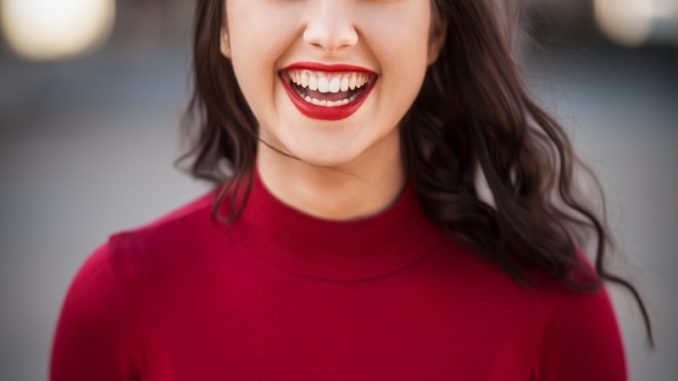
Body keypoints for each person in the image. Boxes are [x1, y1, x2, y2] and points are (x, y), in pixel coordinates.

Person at [49, 0, 653, 380]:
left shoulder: (556, 309)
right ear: (224, 26)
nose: (331, 32)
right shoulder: (118, 304)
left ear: (436, 30)